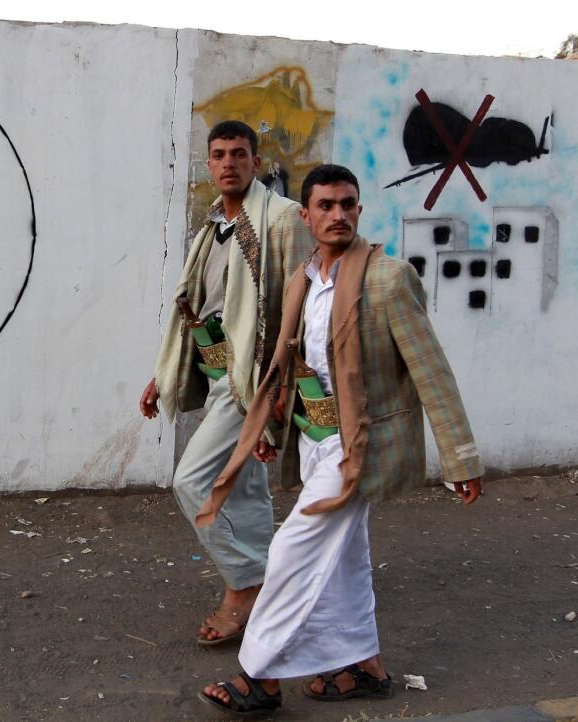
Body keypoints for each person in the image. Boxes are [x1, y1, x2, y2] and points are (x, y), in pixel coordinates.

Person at [196, 164, 484, 716]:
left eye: (348, 204)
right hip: (317, 438)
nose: (338, 214)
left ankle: (259, 676)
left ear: (358, 211)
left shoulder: (388, 279)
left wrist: (459, 457)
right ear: (306, 216)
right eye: (325, 205)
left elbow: (431, 370)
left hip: (361, 448)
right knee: (347, 558)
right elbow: (294, 361)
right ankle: (364, 666)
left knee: (290, 550)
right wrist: (275, 426)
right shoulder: (305, 279)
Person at [140, 120, 312, 645]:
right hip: (218, 372)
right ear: (209, 165)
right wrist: (163, 374)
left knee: (192, 482)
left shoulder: (282, 220)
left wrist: (280, 385)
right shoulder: (214, 225)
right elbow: (197, 305)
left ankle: (244, 586)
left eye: (240, 154)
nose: (229, 163)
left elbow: (299, 305)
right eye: (219, 155)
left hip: (253, 381)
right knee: (245, 492)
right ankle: (270, 591)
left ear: (256, 163)